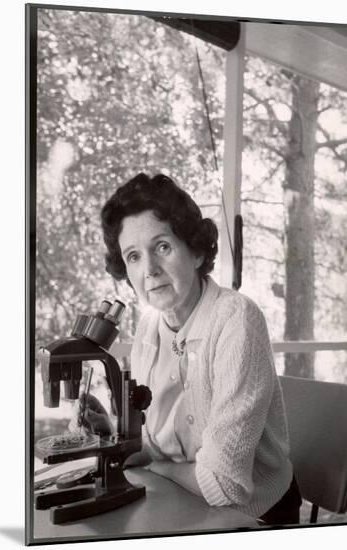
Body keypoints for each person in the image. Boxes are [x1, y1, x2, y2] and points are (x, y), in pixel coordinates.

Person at [74, 172, 302, 525]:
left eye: (162, 247)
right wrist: (118, 438)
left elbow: (225, 487)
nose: (149, 269)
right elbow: (154, 442)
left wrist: (155, 464)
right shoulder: (149, 326)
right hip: (181, 500)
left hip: (256, 515)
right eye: (133, 256)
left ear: (195, 251)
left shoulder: (236, 320)